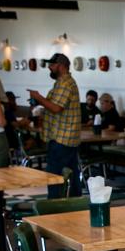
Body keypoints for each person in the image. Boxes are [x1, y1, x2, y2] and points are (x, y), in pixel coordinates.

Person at [29, 54, 81, 198]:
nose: (49, 68)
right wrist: (40, 102)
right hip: (64, 136)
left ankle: (54, 206)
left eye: (51, 65)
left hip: (62, 137)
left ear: (60, 65)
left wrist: (39, 98)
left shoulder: (65, 83)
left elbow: (57, 108)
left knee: (54, 175)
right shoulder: (62, 83)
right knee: (72, 174)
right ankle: (75, 205)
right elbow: (55, 105)